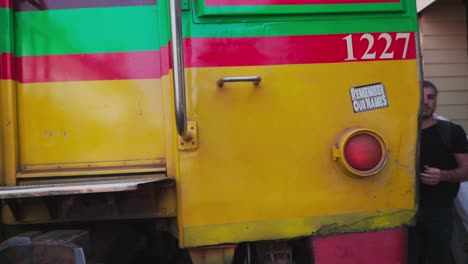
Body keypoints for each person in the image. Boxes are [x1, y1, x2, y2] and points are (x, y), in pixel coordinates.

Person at [409, 80, 468, 264]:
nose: (425, 101)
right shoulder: (400, 132)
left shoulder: (451, 131)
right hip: (404, 214)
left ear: (436, 101)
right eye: (421, 96)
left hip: (439, 212)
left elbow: (466, 171)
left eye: (431, 97)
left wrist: (442, 175)